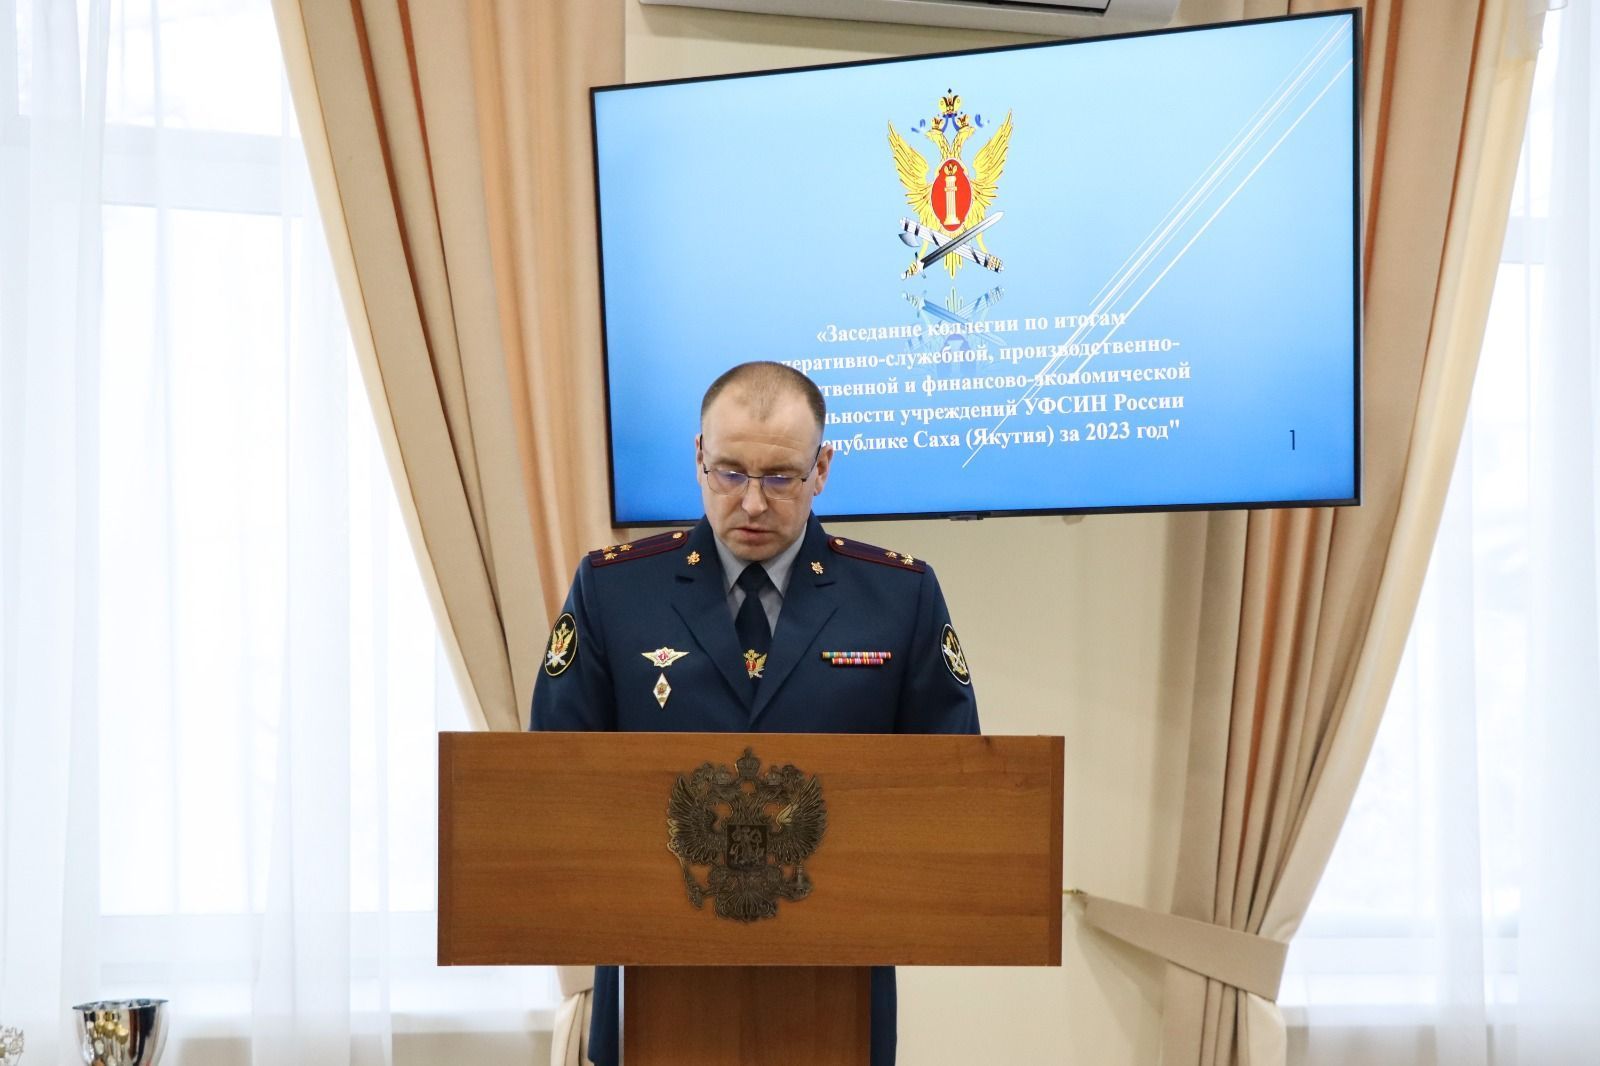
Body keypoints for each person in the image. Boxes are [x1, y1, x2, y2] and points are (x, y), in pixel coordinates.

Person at [530, 360, 979, 1066]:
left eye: (780, 478)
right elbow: (554, 771)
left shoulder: (899, 596)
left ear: (821, 469)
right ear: (698, 458)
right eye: (730, 473)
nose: (752, 503)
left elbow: (953, 784)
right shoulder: (614, 590)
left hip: (835, 981)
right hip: (656, 970)